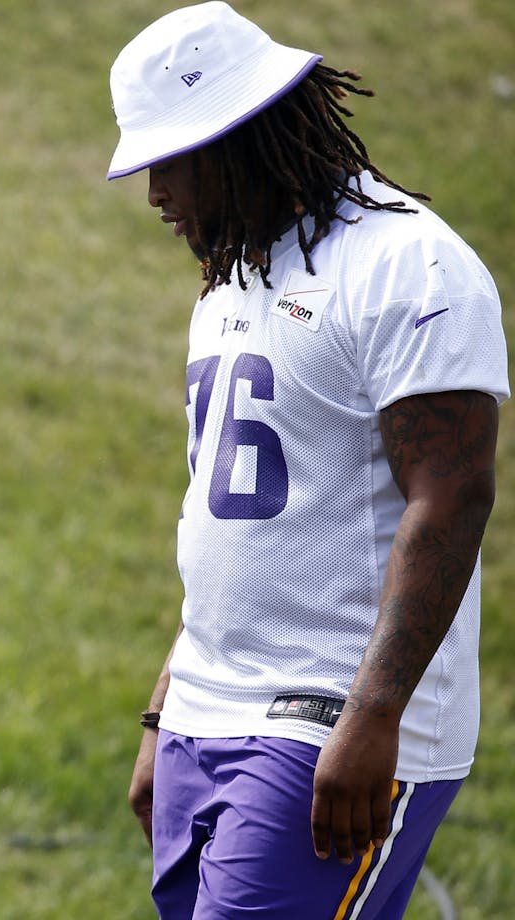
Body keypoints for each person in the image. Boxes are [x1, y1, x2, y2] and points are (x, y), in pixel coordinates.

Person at [107, 4, 507, 917]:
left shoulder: (410, 265)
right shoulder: (233, 280)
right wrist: (166, 711)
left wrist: (373, 718)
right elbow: (229, 526)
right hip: (206, 714)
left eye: (169, 160)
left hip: (326, 716)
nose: (156, 192)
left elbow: (451, 499)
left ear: (237, 138)